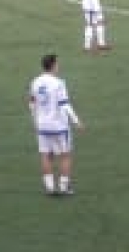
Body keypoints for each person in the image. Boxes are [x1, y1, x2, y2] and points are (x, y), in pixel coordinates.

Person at [28, 53, 84, 195]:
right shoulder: (59, 83)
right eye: (57, 63)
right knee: (65, 155)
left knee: (45, 155)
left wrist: (35, 120)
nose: (59, 66)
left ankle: (50, 188)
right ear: (53, 65)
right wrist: (76, 120)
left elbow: (32, 103)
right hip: (59, 125)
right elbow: (64, 104)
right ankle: (64, 188)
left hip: (42, 125)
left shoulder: (35, 81)